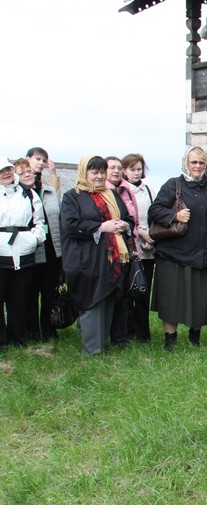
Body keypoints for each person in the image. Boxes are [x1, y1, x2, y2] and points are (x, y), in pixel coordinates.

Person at [149, 147, 207, 350]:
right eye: (194, 162)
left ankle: (195, 337)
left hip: (203, 254)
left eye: (201, 163)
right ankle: (170, 339)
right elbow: (155, 210)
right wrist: (174, 216)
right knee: (171, 298)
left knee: (199, 299)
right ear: (186, 163)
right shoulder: (173, 185)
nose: (198, 166)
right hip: (174, 254)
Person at [60, 155, 134, 356]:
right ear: (84, 172)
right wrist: (101, 227)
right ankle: (92, 350)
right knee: (92, 301)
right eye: (94, 172)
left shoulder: (111, 195)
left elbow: (128, 218)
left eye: (102, 172)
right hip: (87, 260)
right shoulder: (72, 197)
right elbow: (71, 226)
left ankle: (102, 344)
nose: (99, 176)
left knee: (108, 298)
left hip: (111, 259)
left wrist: (124, 225)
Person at [0, 157, 45, 348]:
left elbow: (39, 221)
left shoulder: (29, 193)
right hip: (1, 253)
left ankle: (18, 339)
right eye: (1, 171)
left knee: (18, 298)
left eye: (8, 169)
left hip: (24, 252)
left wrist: (34, 239)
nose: (6, 173)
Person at [23, 148, 63, 342]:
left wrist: (53, 174)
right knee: (30, 292)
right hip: (30, 248)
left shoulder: (47, 188)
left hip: (51, 248)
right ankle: (31, 331)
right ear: (27, 159)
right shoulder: (19, 189)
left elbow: (58, 207)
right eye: (37, 159)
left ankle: (49, 329)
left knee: (49, 291)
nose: (41, 163)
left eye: (44, 160)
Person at [122, 153, 156, 342]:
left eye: (139, 169)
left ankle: (143, 334)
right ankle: (128, 331)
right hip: (130, 245)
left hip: (148, 248)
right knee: (128, 291)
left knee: (144, 291)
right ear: (125, 171)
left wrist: (151, 236)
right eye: (132, 169)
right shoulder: (121, 190)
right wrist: (141, 232)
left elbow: (155, 215)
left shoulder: (149, 190)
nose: (136, 173)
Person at [105, 156, 139, 347]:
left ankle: (122, 336)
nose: (116, 171)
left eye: (119, 168)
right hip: (106, 250)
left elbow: (132, 220)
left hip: (125, 247)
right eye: (112, 168)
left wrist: (125, 225)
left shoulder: (125, 191)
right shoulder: (101, 193)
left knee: (124, 295)